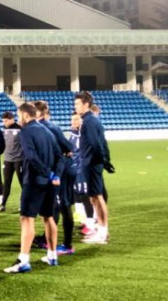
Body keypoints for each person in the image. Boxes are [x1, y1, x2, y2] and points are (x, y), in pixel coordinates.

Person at [4, 103, 64, 274]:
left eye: (18, 115)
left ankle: (23, 260)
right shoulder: (48, 131)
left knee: (27, 218)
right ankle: (52, 255)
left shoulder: (26, 131)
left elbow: (31, 156)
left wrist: (47, 174)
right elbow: (60, 156)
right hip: (50, 183)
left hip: (34, 181)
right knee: (48, 217)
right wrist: (56, 175)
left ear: (24, 115)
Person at [32, 101, 74, 252]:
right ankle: (47, 239)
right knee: (56, 205)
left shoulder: (48, 127)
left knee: (62, 205)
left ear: (40, 113)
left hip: (60, 172)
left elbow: (69, 147)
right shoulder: (43, 126)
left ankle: (65, 244)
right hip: (56, 170)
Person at [75, 92, 113, 245]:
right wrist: (105, 161)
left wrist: (101, 160)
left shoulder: (89, 121)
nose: (75, 106)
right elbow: (102, 142)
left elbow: (95, 144)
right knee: (94, 198)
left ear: (85, 104)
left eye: (77, 104)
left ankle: (103, 232)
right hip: (92, 163)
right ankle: (101, 231)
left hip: (91, 163)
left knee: (97, 198)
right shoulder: (91, 120)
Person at [0, 111, 23, 213]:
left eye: (6, 121)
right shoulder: (4, 129)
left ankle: (23, 205)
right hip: (7, 160)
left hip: (19, 160)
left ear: (12, 119)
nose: (4, 123)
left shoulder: (20, 129)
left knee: (23, 184)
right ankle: (3, 205)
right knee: (6, 183)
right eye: (3, 121)